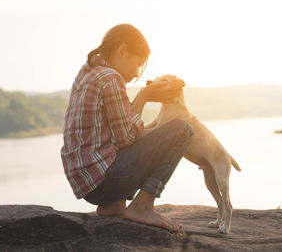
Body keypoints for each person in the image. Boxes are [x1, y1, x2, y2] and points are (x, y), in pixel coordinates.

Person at [60, 24, 194, 232]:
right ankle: (142, 205)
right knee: (182, 130)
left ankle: (113, 205)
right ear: (122, 51)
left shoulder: (87, 72)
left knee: (152, 134)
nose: (137, 72)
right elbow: (126, 138)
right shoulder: (110, 78)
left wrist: (143, 101)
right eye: (138, 63)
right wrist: (144, 96)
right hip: (104, 181)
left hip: (88, 185)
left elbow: (118, 128)